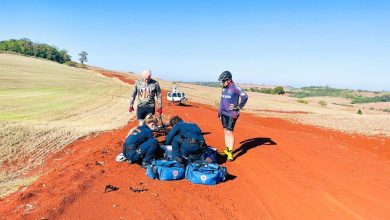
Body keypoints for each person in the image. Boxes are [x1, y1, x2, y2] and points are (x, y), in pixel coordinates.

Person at [217, 71, 248, 161]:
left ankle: (230, 153)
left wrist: (238, 106)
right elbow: (222, 100)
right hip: (224, 113)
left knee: (229, 132)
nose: (222, 83)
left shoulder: (235, 87)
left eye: (223, 81)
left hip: (232, 114)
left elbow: (245, 96)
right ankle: (227, 149)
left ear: (229, 80)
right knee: (225, 131)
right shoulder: (224, 87)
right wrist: (219, 112)